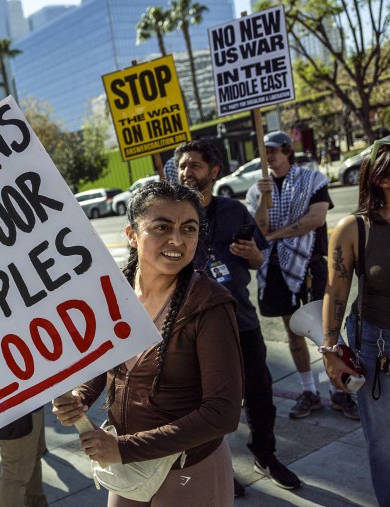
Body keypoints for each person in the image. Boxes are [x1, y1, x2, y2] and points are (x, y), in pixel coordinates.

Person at [53, 181, 243, 506]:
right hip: (127, 468)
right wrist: (80, 396)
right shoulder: (114, 290)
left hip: (189, 469)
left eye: (189, 228)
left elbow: (222, 413)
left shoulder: (209, 304)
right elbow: (103, 362)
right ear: (131, 234)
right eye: (162, 227)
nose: (177, 240)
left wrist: (124, 448)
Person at [176, 140, 301, 495]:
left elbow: (258, 260)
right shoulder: (171, 212)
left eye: (195, 165)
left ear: (214, 172)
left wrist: (252, 255)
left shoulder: (233, 210)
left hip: (240, 321)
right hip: (193, 327)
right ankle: (213, 468)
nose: (187, 172)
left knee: (260, 394)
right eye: (183, 165)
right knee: (203, 405)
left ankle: (266, 455)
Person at [245, 131, 346, 419]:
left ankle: (338, 390)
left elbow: (315, 219)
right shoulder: (256, 190)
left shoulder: (311, 179)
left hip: (308, 263)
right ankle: (309, 391)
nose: (269, 156)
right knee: (294, 333)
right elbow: (258, 230)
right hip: (275, 269)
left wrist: (275, 235)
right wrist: (264, 199)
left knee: (324, 331)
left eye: (273, 150)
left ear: (288, 150)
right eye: (264, 151)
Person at [322, 136, 390, 506]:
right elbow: (335, 293)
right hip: (378, 346)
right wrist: (330, 349)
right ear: (382, 178)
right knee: (384, 443)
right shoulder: (355, 228)